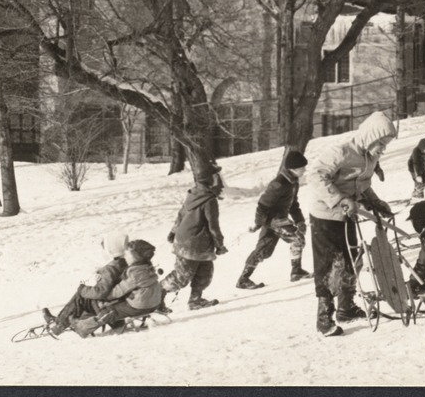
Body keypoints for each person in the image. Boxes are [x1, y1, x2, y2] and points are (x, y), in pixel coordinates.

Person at [304, 110, 397, 337]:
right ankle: (324, 318)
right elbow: (314, 175)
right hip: (325, 215)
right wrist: (340, 199)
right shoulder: (341, 151)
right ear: (370, 136)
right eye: (381, 143)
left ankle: (346, 307)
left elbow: (362, 184)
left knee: (352, 261)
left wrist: (375, 202)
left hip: (348, 215)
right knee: (328, 266)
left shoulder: (370, 158)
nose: (383, 149)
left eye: (386, 144)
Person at [237, 150, 311, 289]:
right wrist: (258, 224)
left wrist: (299, 220)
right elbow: (262, 204)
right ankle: (296, 271)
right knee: (297, 239)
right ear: (294, 168)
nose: (305, 170)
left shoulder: (293, 182)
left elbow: (293, 204)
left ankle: (244, 279)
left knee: (264, 250)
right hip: (274, 220)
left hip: (278, 220)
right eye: (302, 167)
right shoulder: (279, 184)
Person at [161, 163, 227, 311]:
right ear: (210, 179)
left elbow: (181, 215)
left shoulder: (193, 193)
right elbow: (213, 226)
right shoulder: (209, 200)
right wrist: (220, 245)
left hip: (192, 242)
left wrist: (173, 232)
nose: (219, 179)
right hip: (193, 244)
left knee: (205, 272)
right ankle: (157, 295)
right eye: (216, 176)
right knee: (182, 277)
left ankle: (195, 300)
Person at [68, 239, 164, 337]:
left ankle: (82, 328)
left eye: (127, 254)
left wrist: (105, 298)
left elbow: (118, 291)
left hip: (140, 306)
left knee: (109, 312)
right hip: (154, 303)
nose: (125, 256)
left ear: (136, 257)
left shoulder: (135, 274)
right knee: (115, 306)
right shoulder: (146, 268)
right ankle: (113, 324)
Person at [42, 230, 130, 335]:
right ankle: (64, 320)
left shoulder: (110, 268)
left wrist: (83, 289)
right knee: (85, 295)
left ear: (111, 249)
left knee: (81, 296)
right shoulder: (125, 264)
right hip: (118, 302)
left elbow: (101, 292)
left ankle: (58, 325)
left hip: (108, 306)